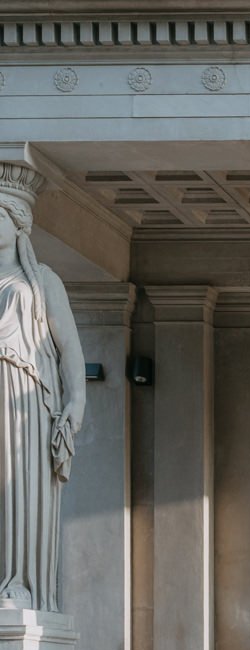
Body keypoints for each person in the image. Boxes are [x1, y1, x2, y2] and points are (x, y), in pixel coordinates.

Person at [0, 164, 87, 612]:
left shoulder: (40, 282)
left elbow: (68, 345)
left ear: (18, 226)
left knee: (16, 486)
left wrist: (77, 398)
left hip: (22, 403)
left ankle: (19, 580)